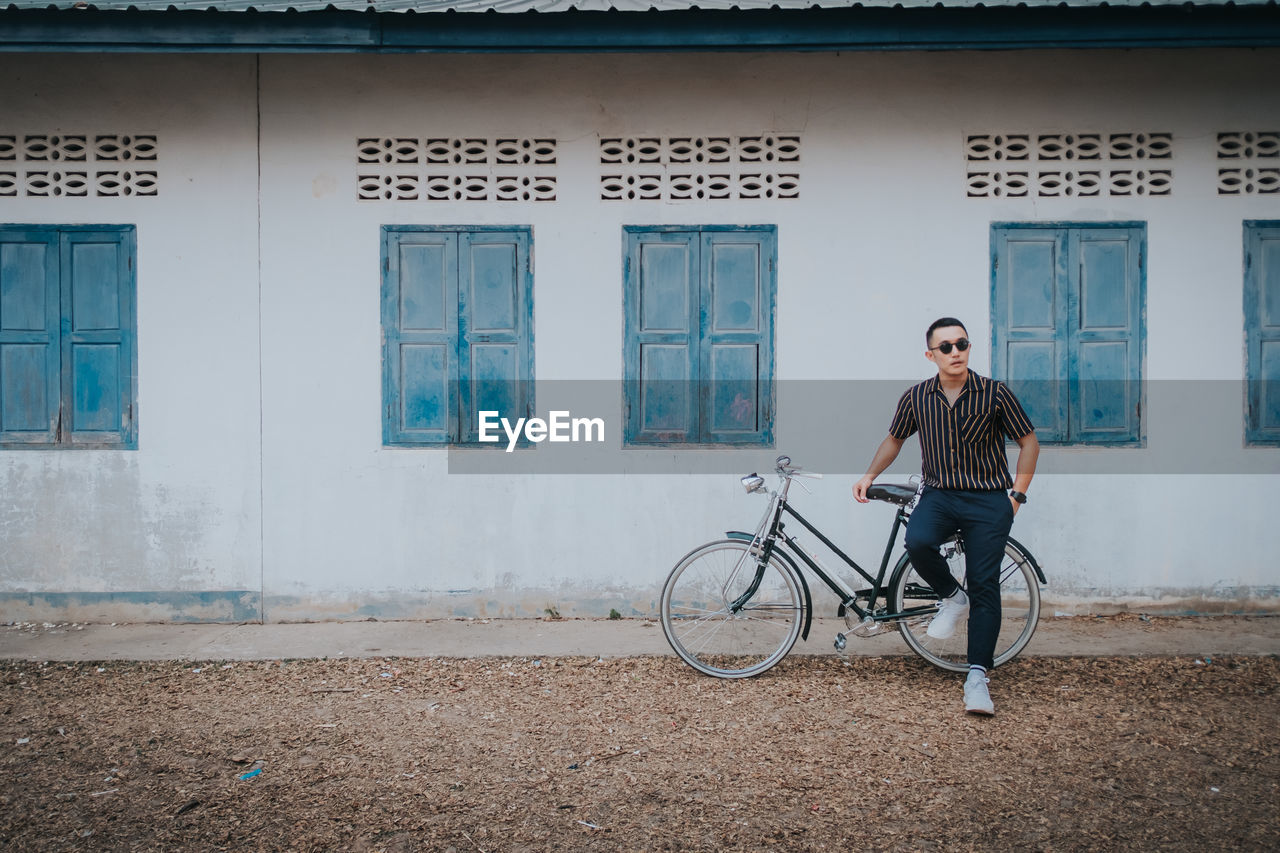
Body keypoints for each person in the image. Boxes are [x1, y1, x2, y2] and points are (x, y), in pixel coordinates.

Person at [853, 317, 1039, 716]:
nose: (956, 352)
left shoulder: (994, 394)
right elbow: (895, 439)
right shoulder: (917, 397)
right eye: (946, 347)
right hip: (938, 494)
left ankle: (977, 677)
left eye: (962, 344)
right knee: (918, 542)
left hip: (988, 499)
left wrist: (1017, 496)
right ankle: (953, 598)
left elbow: (1028, 441)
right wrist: (870, 475)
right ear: (931, 355)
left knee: (985, 584)